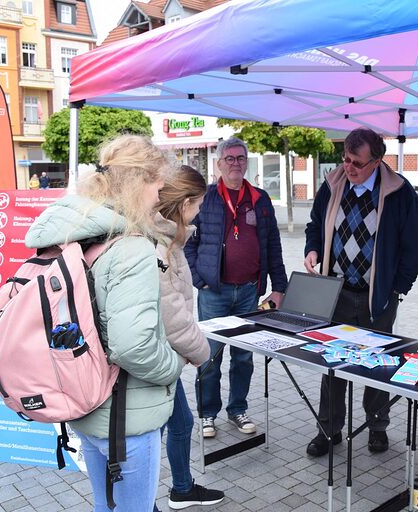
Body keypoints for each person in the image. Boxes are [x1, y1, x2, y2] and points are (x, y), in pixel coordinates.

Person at [25, 135, 184, 511]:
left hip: (84, 405)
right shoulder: (130, 247)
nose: (159, 196)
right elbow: (132, 345)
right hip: (126, 418)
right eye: (157, 185)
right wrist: (172, 366)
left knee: (105, 506)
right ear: (139, 182)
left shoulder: (74, 237)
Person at [304, 127, 418, 456]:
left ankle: (377, 427)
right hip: (338, 292)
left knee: (377, 363)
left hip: (378, 298)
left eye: (356, 163)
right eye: (345, 159)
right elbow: (315, 224)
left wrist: (397, 289)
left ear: (376, 161)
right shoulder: (332, 185)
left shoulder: (400, 193)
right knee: (332, 365)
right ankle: (328, 429)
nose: (349, 167)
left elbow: (417, 249)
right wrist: (313, 248)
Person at [184, 136, 287, 439]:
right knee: (210, 356)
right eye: (229, 158)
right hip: (213, 292)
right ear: (218, 163)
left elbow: (273, 246)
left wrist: (278, 287)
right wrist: (198, 278)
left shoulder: (259, 198)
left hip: (248, 293)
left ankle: (237, 409)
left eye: (240, 158)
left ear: (246, 162)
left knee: (243, 356)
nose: (235, 163)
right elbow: (187, 242)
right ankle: (207, 414)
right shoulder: (206, 197)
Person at [154, 165, 225, 509]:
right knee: (155, 433)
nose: (201, 211)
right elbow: (172, 318)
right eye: (198, 204)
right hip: (153, 361)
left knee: (180, 422)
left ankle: (181, 488)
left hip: (161, 360)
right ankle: (138, 500)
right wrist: (203, 353)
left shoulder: (169, 239)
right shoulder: (160, 247)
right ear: (184, 204)